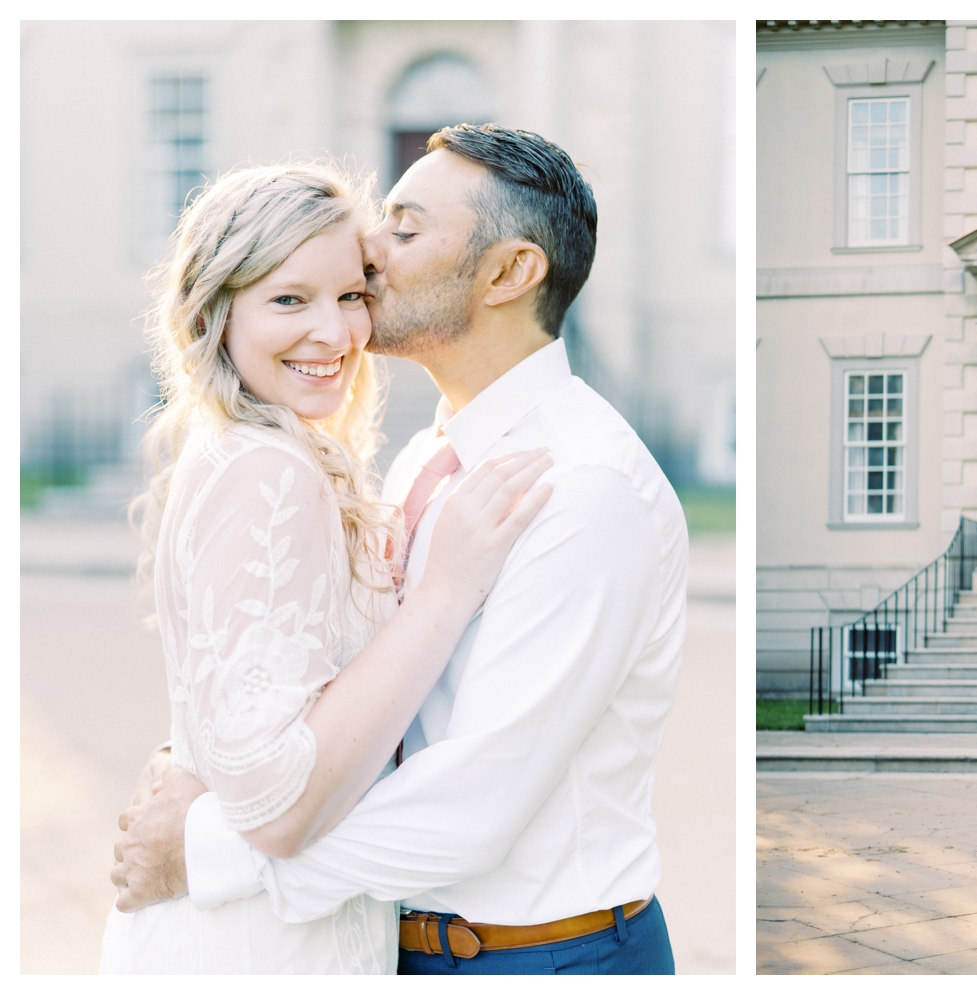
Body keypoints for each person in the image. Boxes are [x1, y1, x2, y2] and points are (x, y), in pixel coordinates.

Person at [110, 124, 688, 975]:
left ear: (509, 272)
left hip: (542, 959)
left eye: (406, 228)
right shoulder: (425, 461)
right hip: (386, 943)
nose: (370, 251)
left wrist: (207, 851)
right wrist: (202, 753)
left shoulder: (583, 488)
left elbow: (473, 804)